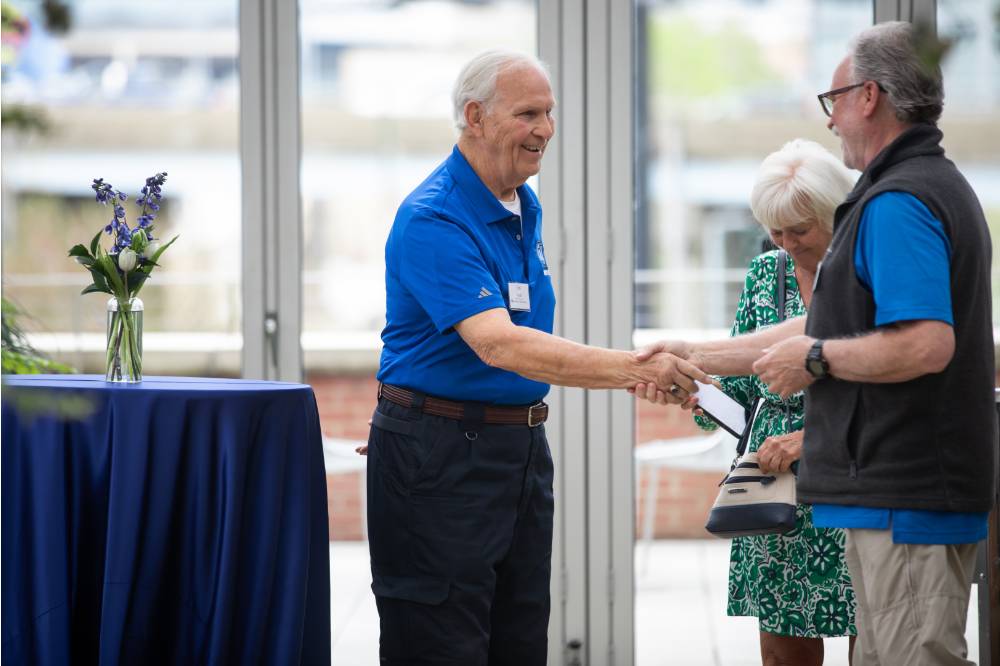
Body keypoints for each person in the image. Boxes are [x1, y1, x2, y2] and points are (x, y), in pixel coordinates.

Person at [638, 22, 996, 666]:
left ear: (870, 97)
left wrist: (816, 360)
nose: (830, 122)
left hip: (905, 499)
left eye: (834, 101)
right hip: (896, 496)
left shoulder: (899, 201)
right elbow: (815, 327)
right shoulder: (920, 188)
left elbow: (923, 344)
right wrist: (695, 354)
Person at [367, 50, 709, 666]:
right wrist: (636, 368)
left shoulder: (523, 204)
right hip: (440, 454)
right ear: (474, 116)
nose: (545, 129)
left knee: (520, 638)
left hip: (517, 452)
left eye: (549, 113)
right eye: (528, 113)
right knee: (441, 643)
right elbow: (499, 343)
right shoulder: (434, 216)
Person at [693, 139, 857, 665]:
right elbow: (744, 386)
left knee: (878, 646)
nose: (784, 243)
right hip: (776, 494)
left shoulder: (866, 274)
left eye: (799, 230)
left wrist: (810, 439)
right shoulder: (767, 274)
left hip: (856, 484)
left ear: (835, 216)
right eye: (774, 230)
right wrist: (696, 391)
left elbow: (892, 386)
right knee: (783, 657)